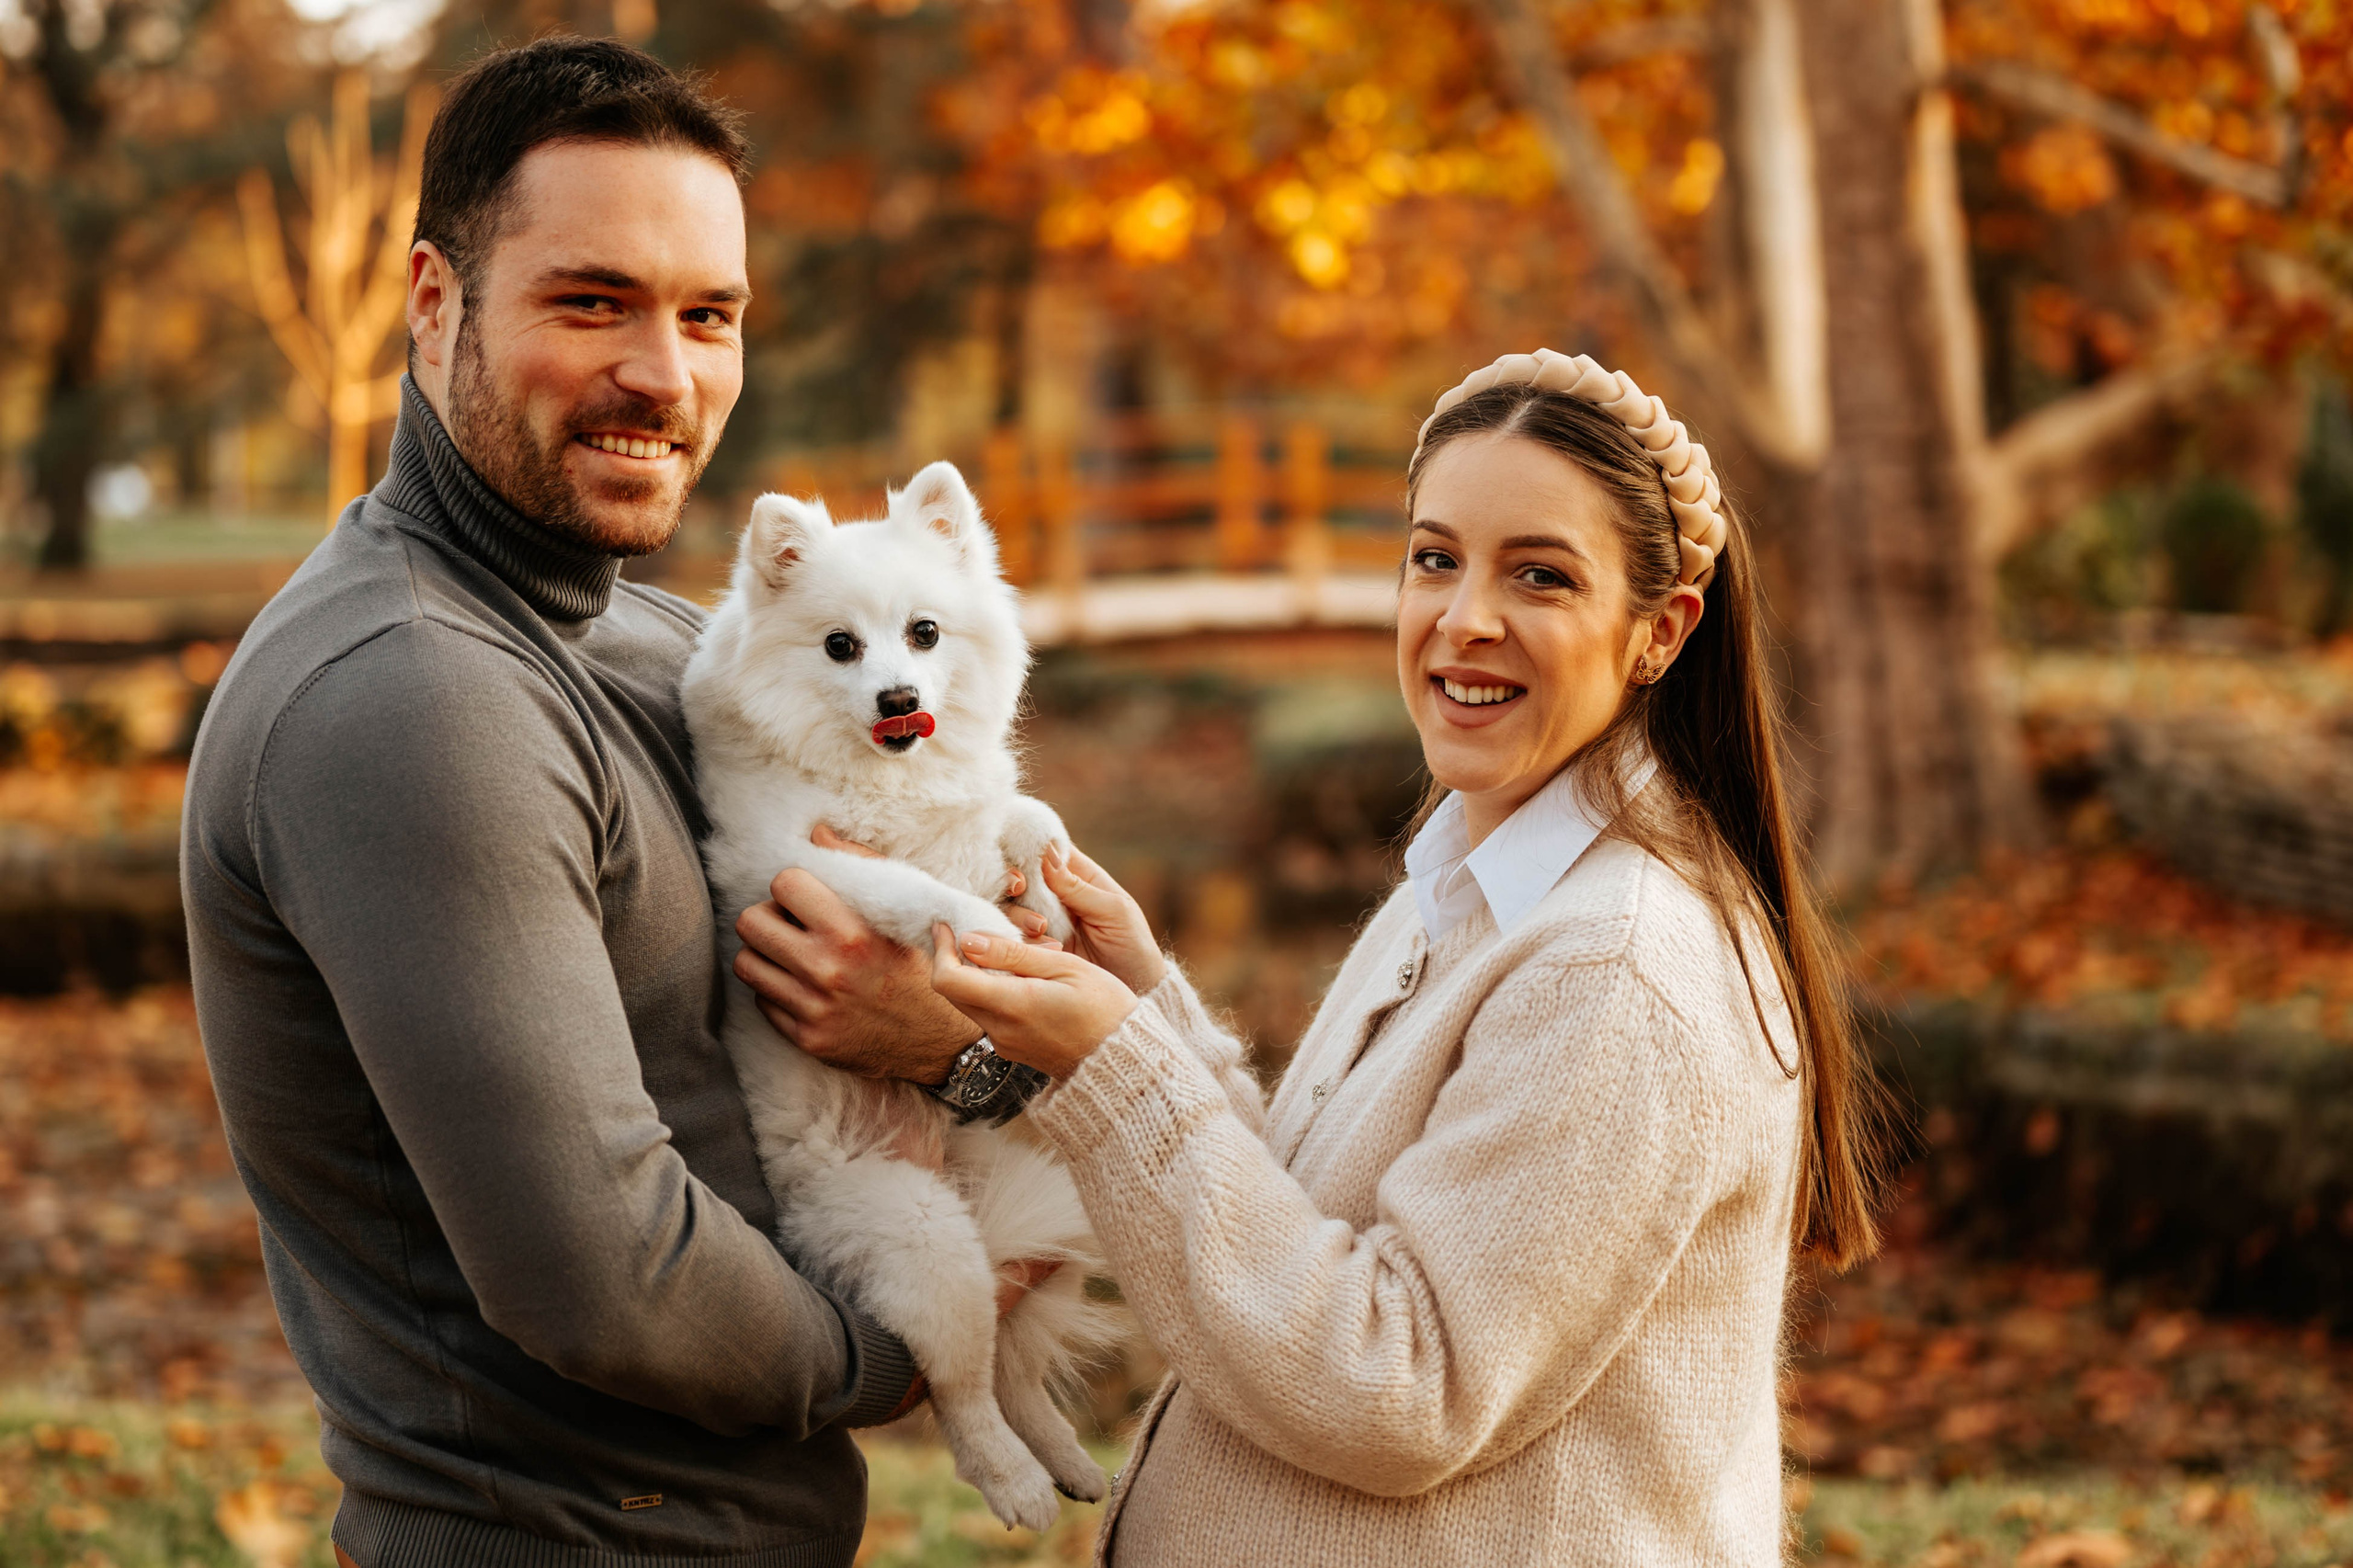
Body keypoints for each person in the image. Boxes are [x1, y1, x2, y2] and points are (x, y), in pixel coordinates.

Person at [744, 349, 1883, 1563]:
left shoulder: (1614, 970)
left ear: (1658, 633)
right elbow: (1293, 1226)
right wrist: (1145, 1002)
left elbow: (1400, 1384)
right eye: (1434, 557)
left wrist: (1097, 1060)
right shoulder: (1471, 877)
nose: (1464, 617)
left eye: (1539, 575)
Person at [181, 39, 1011, 1568]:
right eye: (592, 302)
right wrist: (908, 1344)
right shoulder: (414, 691)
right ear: (434, 303)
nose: (666, 373)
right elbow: (602, 1265)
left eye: (711, 316)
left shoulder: (654, 637)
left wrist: (969, 1067)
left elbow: (878, 963)